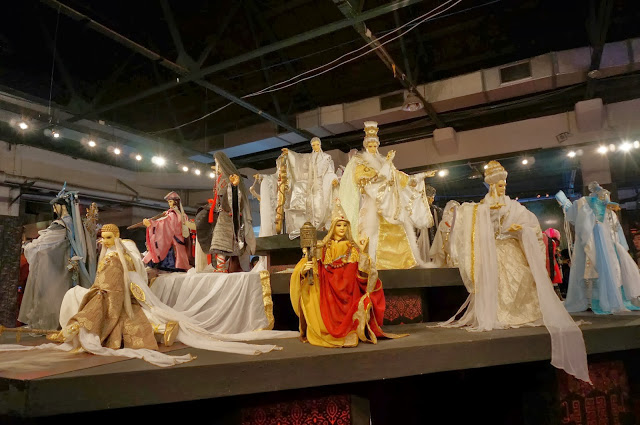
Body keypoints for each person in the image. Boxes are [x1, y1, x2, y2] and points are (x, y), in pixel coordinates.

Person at [438, 160, 590, 383]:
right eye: (499, 185)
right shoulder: (481, 208)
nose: (503, 188)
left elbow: (531, 226)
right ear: (492, 186)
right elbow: (473, 228)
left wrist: (520, 230)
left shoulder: (514, 207)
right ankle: (500, 312)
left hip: (512, 248)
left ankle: (520, 310)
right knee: (498, 280)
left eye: (504, 185)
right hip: (493, 253)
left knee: (522, 276)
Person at [290, 202, 401, 347]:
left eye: (344, 225)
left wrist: (364, 253)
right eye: (338, 225)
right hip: (328, 293)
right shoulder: (323, 248)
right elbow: (312, 267)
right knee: (311, 293)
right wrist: (304, 270)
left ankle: (351, 330)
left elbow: (363, 270)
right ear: (333, 227)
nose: (342, 228)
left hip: (349, 291)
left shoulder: (353, 249)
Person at [339, 121, 435, 270]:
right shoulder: (361, 162)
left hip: (391, 204)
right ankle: (373, 264)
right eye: (370, 146)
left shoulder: (384, 160)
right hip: (373, 205)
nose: (373, 148)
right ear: (366, 146)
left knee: (400, 230)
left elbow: (399, 177)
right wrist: (387, 164)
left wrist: (421, 176)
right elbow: (369, 181)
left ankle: (405, 262)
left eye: (375, 145)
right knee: (373, 234)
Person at [18, 184, 96, 329]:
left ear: (61, 207)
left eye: (55, 207)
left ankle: (56, 324)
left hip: (58, 267)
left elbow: (42, 244)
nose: (54, 210)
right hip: (67, 265)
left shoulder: (60, 225)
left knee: (53, 296)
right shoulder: (75, 224)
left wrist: (27, 246)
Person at [556, 182, 640, 314]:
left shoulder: (585, 204)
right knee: (610, 269)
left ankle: (598, 300)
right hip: (609, 247)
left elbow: (573, 217)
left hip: (595, 245)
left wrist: (564, 202)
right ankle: (611, 298)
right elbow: (617, 232)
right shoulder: (608, 211)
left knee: (595, 268)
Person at [195, 152, 256, 272]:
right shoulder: (220, 178)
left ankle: (222, 267)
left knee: (221, 243)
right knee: (219, 243)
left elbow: (233, 198)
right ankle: (222, 267)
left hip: (228, 216)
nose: (216, 166)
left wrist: (233, 189)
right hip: (221, 214)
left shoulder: (228, 178)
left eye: (217, 163)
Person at [280, 137, 339, 238]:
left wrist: (333, 179)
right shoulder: (310, 158)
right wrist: (289, 153)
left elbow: (330, 171)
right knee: (312, 205)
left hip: (323, 184)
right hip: (312, 186)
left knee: (320, 205)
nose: (315, 147)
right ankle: (314, 226)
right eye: (313, 145)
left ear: (320, 145)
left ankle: (321, 227)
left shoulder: (326, 157)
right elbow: (298, 159)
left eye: (317, 145)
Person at [143, 191, 193, 272]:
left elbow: (165, 225)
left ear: (175, 202)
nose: (169, 204)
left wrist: (151, 223)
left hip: (174, 240)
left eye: (170, 201)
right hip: (180, 240)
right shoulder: (183, 215)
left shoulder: (172, 214)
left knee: (165, 246)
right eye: (169, 202)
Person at [428, 200, 460, 267]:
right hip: (444, 244)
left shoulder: (459, 222)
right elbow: (438, 236)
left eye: (454, 209)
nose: (453, 211)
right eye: (451, 209)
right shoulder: (443, 222)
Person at [543, 228, 564, 300]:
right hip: (553, 264)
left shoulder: (545, 240)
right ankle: (557, 298)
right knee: (554, 281)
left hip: (547, 263)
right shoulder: (552, 242)